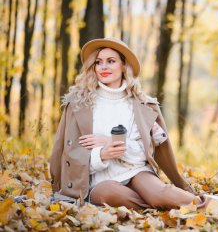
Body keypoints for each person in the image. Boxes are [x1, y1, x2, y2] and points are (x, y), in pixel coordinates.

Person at [49, 38, 205, 209]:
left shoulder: (140, 105)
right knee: (111, 194)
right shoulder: (79, 105)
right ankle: (162, 204)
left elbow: (144, 153)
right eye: (98, 62)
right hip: (100, 180)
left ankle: (209, 205)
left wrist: (111, 142)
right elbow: (70, 155)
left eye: (111, 61)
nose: (104, 67)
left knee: (158, 193)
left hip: (136, 171)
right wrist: (101, 155)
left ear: (124, 66)